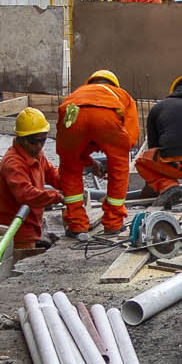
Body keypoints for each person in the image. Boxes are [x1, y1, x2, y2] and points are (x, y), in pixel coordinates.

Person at [55, 67, 140, 237]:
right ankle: (113, 223)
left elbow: (67, 148)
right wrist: (115, 152)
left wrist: (88, 159)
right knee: (119, 169)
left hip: (72, 113)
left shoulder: (77, 93)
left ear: (90, 83)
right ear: (114, 85)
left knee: (70, 168)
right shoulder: (121, 95)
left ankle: (76, 224)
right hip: (106, 116)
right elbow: (130, 136)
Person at [0, 106, 60, 253]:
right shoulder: (13, 163)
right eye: (35, 142)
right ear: (21, 139)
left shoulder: (36, 154)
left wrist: (71, 182)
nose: (39, 146)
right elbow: (26, 195)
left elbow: (52, 174)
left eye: (43, 140)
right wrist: (58, 197)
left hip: (32, 227)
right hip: (16, 234)